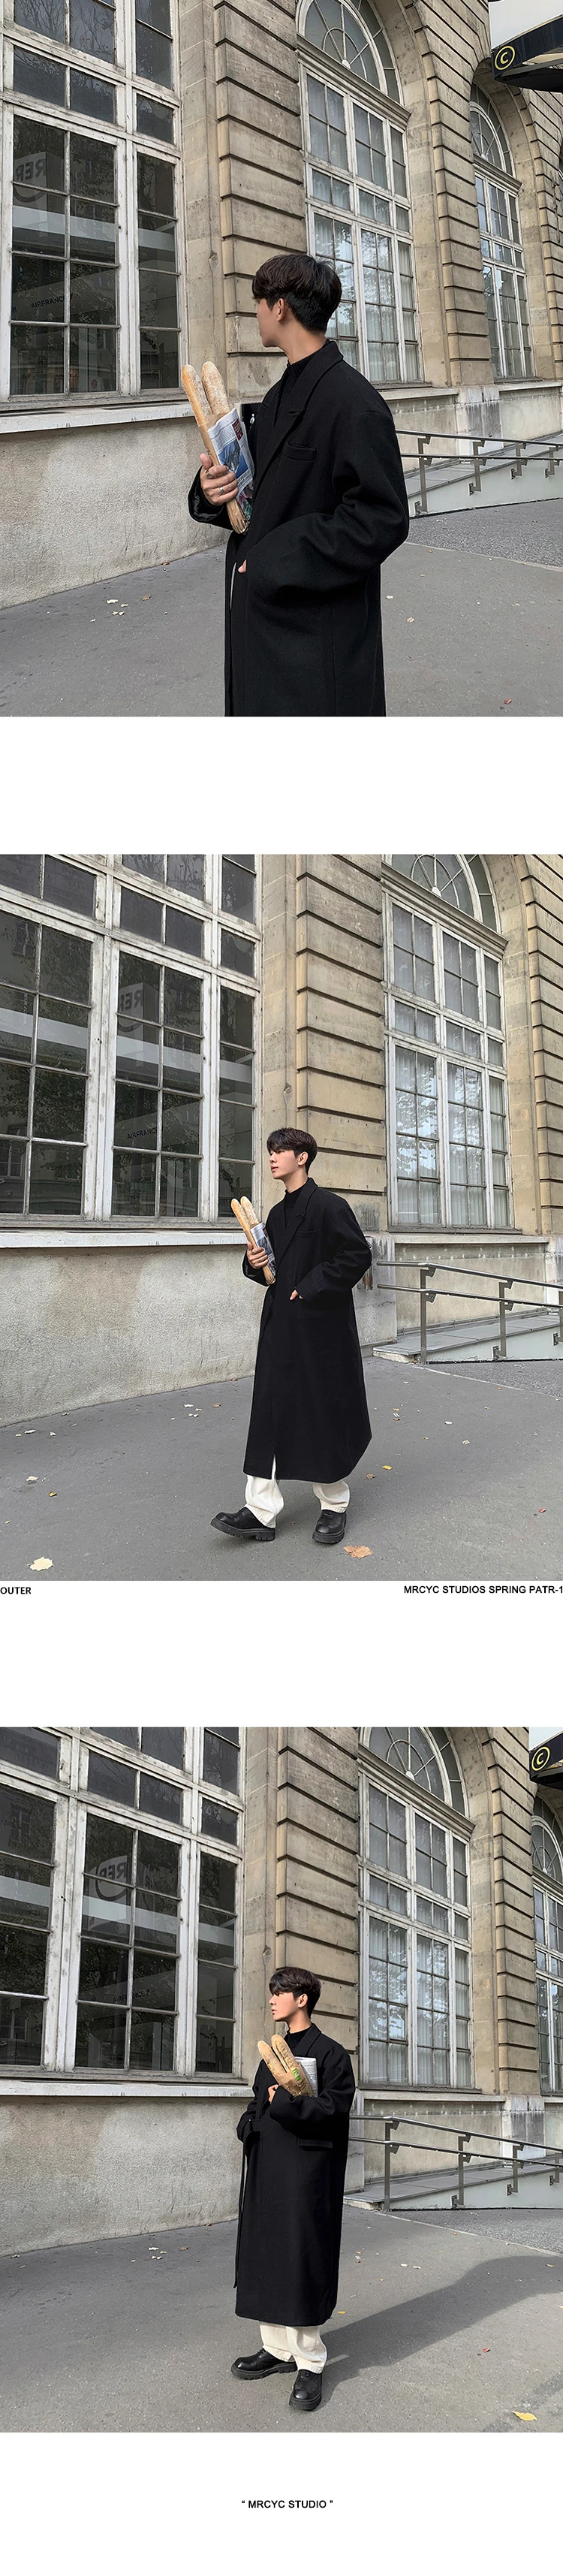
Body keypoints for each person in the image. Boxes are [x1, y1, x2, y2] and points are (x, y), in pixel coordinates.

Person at [188, 250, 409, 716]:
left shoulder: (354, 402)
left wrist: (271, 559)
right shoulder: (278, 395)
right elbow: (262, 491)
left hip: (315, 643)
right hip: (268, 626)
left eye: (259, 302)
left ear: (280, 308)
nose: (255, 312)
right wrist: (216, 490)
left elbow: (381, 519)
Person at [211, 1127, 372, 1549]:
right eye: (270, 1151)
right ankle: (260, 1512)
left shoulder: (330, 1206)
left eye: (280, 1150)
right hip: (280, 1328)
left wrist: (311, 1284)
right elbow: (270, 1272)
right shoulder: (276, 1215)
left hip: (321, 1332)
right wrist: (254, 1261)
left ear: (302, 1158)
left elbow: (357, 1255)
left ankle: (334, 1505)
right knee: (268, 1411)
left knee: (321, 1410)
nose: (272, 1157)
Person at [232, 1966, 356, 2412]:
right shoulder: (272, 2053)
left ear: (302, 1999)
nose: (271, 1999)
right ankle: (277, 2349)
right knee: (267, 2255)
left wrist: (281, 2102)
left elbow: (333, 2110)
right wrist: (248, 2124)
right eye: (272, 1992)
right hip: (268, 2168)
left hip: (306, 2176)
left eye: (279, 1992)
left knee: (301, 2258)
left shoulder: (332, 2054)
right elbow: (257, 2101)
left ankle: (310, 2361)